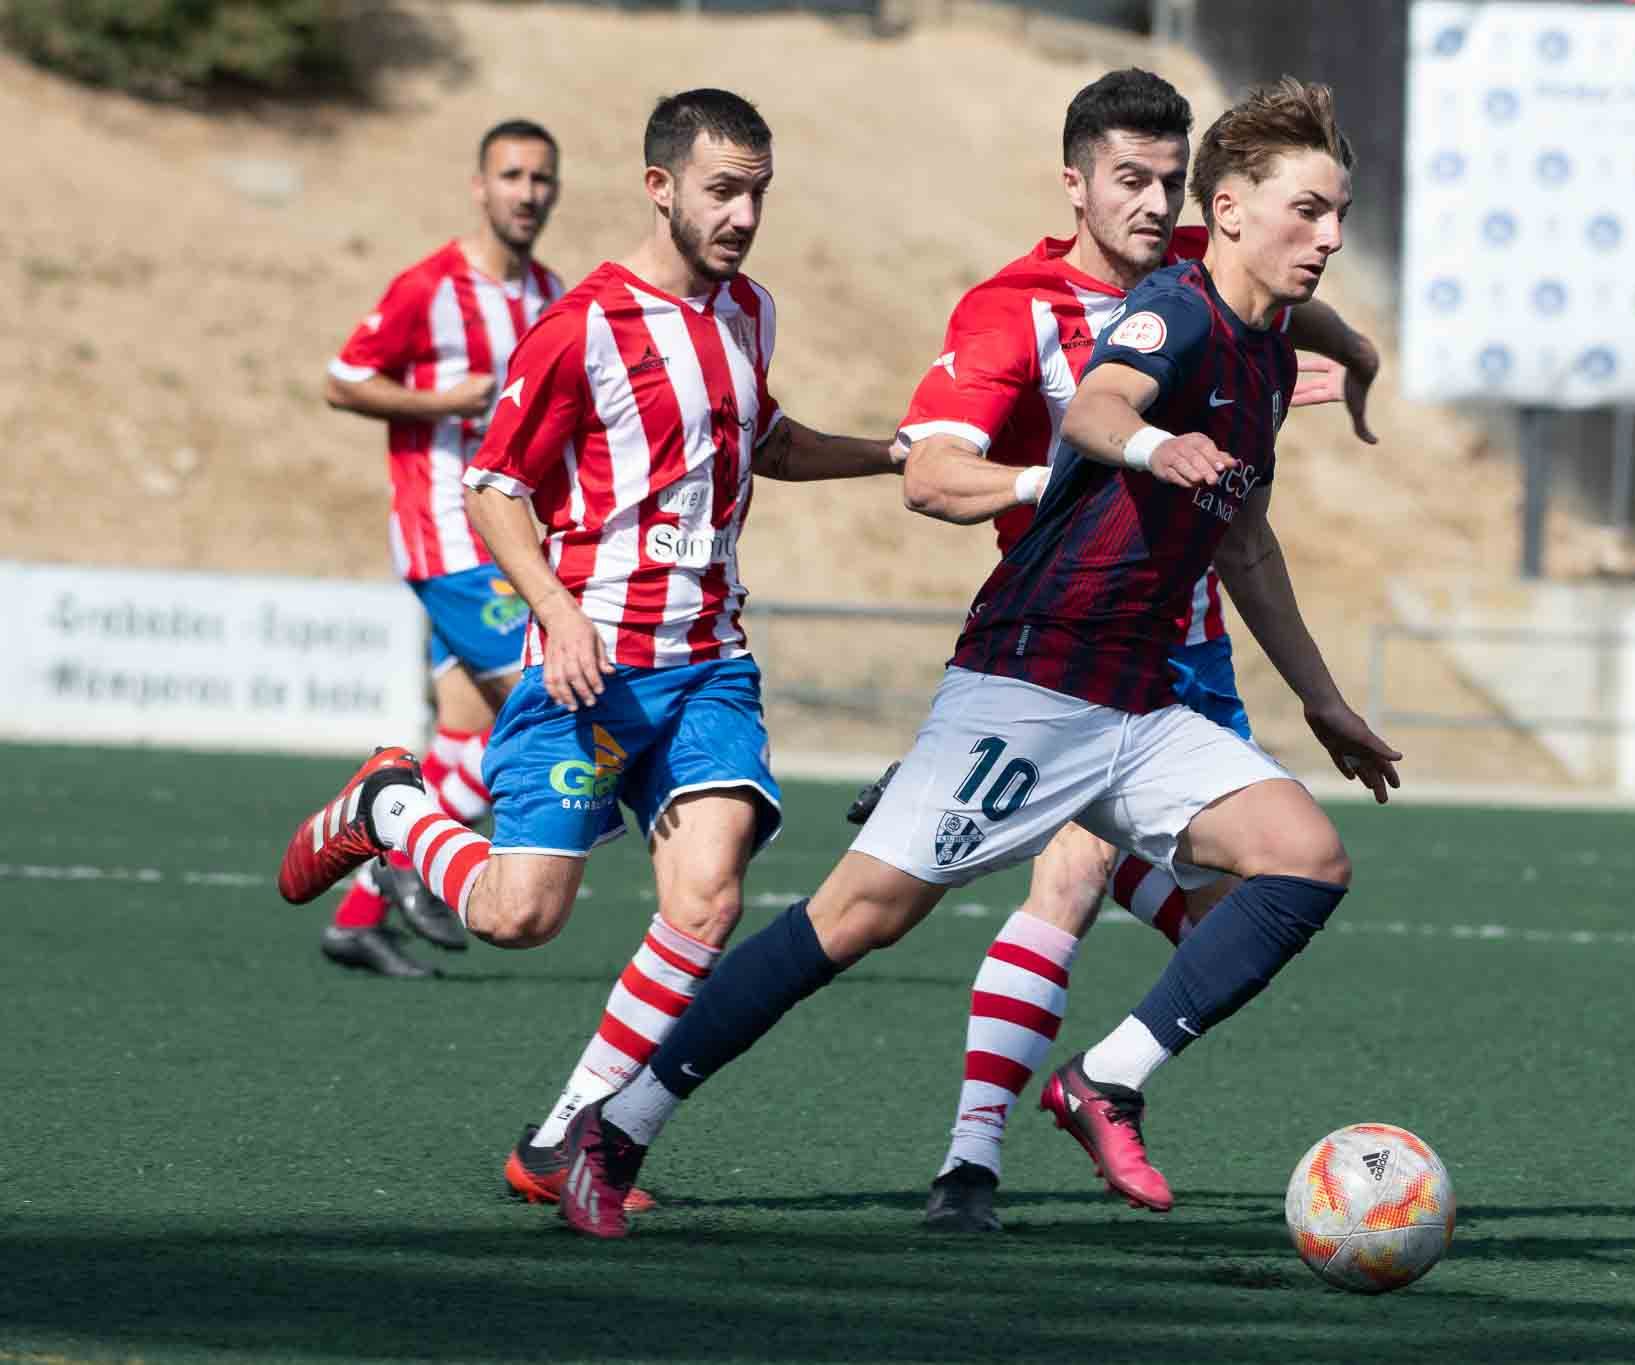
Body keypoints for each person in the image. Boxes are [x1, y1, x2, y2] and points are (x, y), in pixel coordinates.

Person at [553, 76, 1402, 1241]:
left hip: (1140, 700)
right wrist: (1155, 445)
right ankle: (613, 1124)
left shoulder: (1256, 346)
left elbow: (1246, 542)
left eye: (1340, 213)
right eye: (1309, 211)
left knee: (1303, 860)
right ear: (1237, 212)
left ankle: (1101, 1080)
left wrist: (1324, 704)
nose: (1332, 236)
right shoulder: (1178, 311)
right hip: (1030, 682)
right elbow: (1097, 408)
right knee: (857, 918)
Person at [276, 89, 901, 1205]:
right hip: (590, 664)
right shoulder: (580, 326)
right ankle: (390, 809)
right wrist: (558, 616)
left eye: (757, 191)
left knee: (705, 902)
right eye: (721, 190)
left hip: (708, 662)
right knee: (521, 918)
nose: (744, 214)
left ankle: (565, 1137)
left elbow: (768, 440)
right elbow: (493, 486)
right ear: (658, 188)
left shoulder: (751, 309)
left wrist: (896, 458)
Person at [880, 67, 1381, 1232]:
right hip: (1074, 647)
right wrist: (1088, 469)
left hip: (1193, 654)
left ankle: (1105, 1075)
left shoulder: (1214, 263)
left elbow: (1289, 294)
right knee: (1067, 874)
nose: (1157, 205)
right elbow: (925, 476)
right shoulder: (1015, 306)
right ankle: (974, 1159)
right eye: (1130, 181)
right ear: (1075, 185)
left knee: (1233, 920)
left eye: (1170, 180)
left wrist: (1353, 352)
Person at [319, 118, 566, 977]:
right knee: (550, 706)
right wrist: (445, 401)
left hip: (508, 541)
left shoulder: (552, 295)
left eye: (541, 178)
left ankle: (359, 916)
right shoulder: (429, 287)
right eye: (511, 176)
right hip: (448, 539)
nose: (527, 192)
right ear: (479, 185)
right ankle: (403, 857)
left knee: (467, 728)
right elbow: (342, 380)